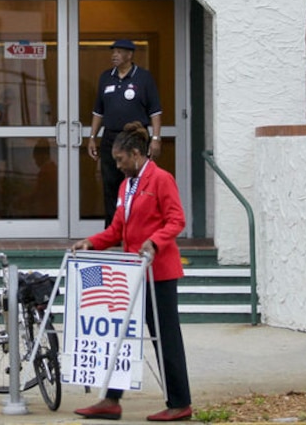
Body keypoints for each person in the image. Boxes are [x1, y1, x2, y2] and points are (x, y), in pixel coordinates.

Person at [71, 121, 192, 422]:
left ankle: (180, 402)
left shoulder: (161, 179)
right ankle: (111, 399)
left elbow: (176, 220)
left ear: (136, 154)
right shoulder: (126, 186)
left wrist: (154, 241)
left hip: (158, 272)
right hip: (132, 273)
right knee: (120, 335)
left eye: (121, 160)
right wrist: (91, 243)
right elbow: (116, 230)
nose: (118, 165)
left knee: (165, 337)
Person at [87, 39, 163, 228]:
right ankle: (113, 230)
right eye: (113, 52)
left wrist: (155, 138)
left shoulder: (143, 78)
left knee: (137, 184)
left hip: (135, 138)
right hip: (111, 137)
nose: (114, 55)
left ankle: (137, 227)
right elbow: (98, 112)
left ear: (130, 55)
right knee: (110, 183)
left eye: (119, 52)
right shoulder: (106, 77)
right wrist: (92, 137)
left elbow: (155, 112)